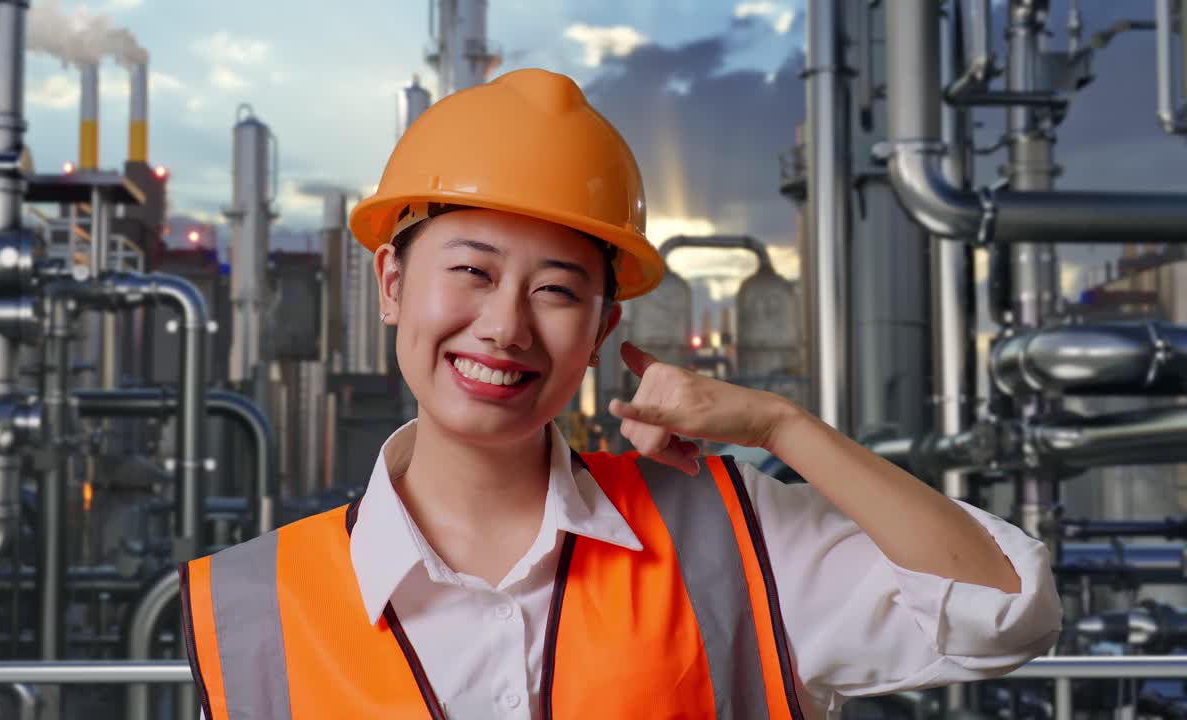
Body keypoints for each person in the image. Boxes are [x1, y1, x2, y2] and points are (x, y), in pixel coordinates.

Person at [180, 68, 1061, 719]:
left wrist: (782, 426)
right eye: (471, 272)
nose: (505, 327)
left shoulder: (730, 542)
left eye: (557, 290)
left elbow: (1006, 610)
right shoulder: (253, 606)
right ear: (391, 283)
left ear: (603, 331)